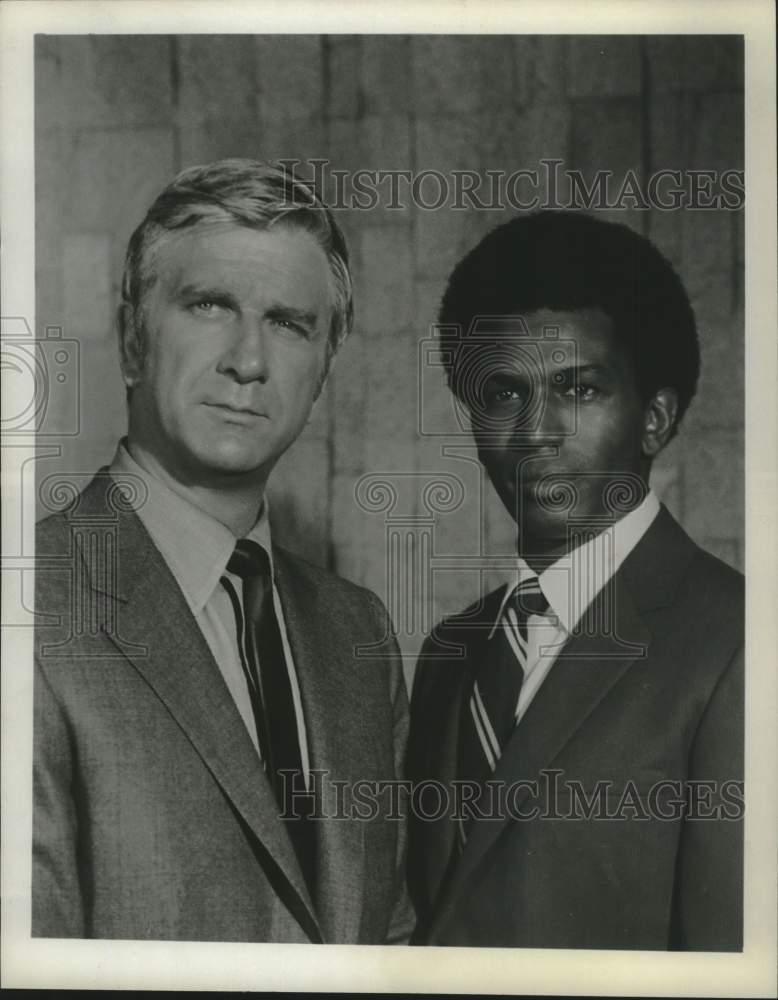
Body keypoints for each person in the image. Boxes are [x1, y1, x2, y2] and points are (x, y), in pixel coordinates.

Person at [33, 159, 413, 944]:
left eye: (289, 323)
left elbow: (393, 943)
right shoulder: (28, 608)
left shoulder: (359, 635)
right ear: (132, 340)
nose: (249, 360)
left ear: (324, 369)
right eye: (209, 305)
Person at [407, 211, 743, 950]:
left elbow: (730, 972)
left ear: (655, 419)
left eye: (579, 390)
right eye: (503, 394)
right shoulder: (449, 653)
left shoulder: (740, 644)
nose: (535, 433)